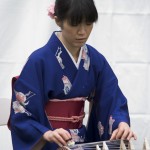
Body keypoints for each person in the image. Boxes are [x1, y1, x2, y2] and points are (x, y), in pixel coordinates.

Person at [8, 0, 137, 149]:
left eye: (88, 24)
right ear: (58, 20)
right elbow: (22, 115)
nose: (82, 32)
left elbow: (112, 97)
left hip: (82, 144)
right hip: (51, 142)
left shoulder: (94, 60)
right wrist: (46, 134)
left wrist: (121, 123)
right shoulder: (39, 61)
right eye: (75, 24)